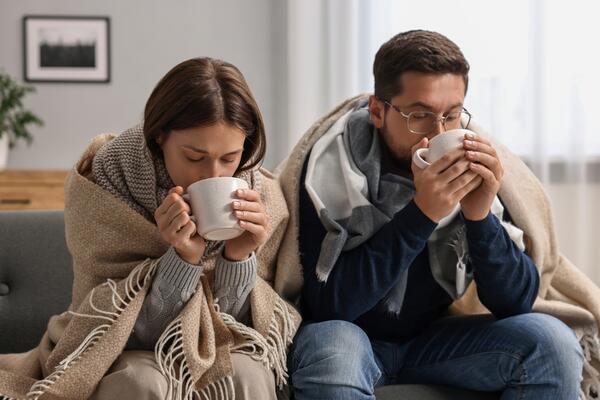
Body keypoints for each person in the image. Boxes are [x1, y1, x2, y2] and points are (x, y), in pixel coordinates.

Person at [279, 30, 591, 399]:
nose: (439, 133)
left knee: (550, 341)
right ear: (378, 111)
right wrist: (421, 215)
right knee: (335, 350)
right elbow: (332, 305)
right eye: (420, 115)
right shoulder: (328, 171)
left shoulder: (473, 162)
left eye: (453, 114)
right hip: (348, 336)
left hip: (434, 339)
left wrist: (479, 217)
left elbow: (515, 302)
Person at [0, 57, 300, 400]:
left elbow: (235, 331)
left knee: (246, 373)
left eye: (229, 157)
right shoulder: (104, 184)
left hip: (215, 347)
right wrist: (183, 261)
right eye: (194, 156)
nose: (214, 175)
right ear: (159, 137)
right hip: (115, 347)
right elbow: (122, 333)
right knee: (141, 381)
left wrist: (238, 256)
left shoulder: (259, 196)